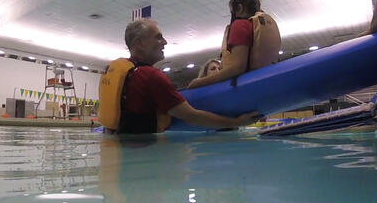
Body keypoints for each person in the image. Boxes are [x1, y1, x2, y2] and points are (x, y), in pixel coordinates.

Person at [98, 19, 258, 134]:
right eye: (158, 37)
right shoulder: (150, 76)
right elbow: (192, 116)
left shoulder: (112, 70)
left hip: (114, 146)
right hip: (142, 152)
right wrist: (237, 122)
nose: (165, 42)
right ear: (140, 43)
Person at [188, 0, 281, 89]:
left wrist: (200, 82)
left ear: (239, 8)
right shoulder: (264, 24)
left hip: (247, 87)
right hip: (266, 82)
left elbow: (238, 67)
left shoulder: (240, 25)